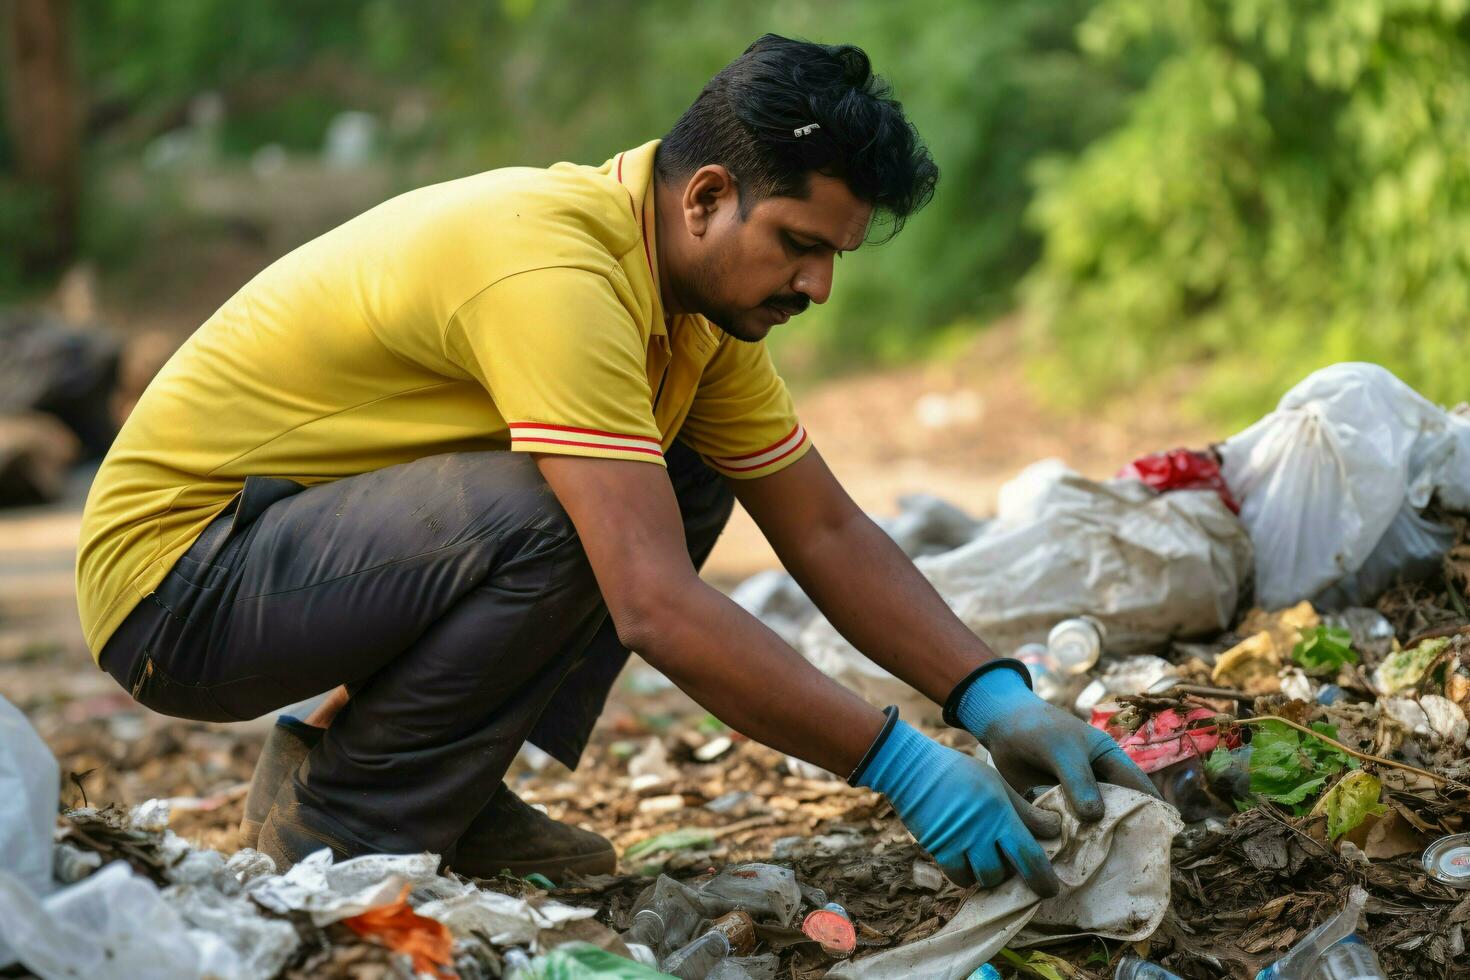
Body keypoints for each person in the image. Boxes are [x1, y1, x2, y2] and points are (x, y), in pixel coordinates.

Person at [76, 34, 1156, 894]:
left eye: (835, 253)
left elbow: (824, 528)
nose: (819, 285)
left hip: (289, 555)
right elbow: (651, 602)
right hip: (181, 585)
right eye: (799, 242)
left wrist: (989, 693)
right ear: (704, 197)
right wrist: (901, 765)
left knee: (674, 471)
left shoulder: (695, 311)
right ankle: (352, 817)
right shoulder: (553, 267)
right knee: (579, 514)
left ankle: (411, 779)